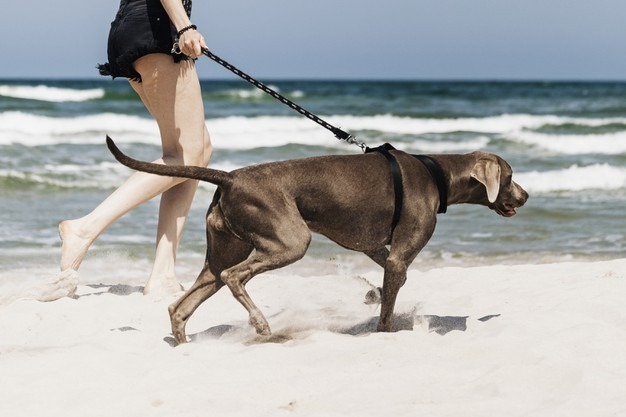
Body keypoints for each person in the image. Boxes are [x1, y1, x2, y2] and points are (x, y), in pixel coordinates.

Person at [58, 0, 213, 296]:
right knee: (187, 155)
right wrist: (185, 26)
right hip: (155, 29)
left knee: (196, 150)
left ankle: (163, 274)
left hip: (138, 28)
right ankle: (84, 228)